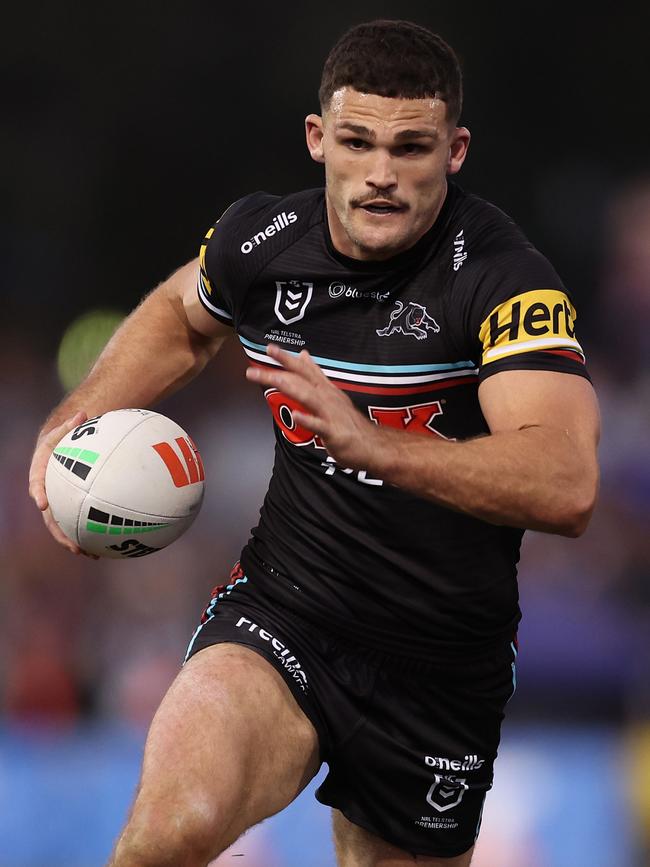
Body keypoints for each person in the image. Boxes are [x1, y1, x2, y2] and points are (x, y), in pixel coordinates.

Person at [28, 19, 600, 867]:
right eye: (358, 141)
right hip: (285, 610)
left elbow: (568, 483)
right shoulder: (263, 240)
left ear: (456, 150)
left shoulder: (503, 280)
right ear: (316, 138)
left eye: (411, 147)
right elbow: (185, 319)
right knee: (167, 834)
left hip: (440, 668)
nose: (380, 173)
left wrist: (374, 443)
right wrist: (64, 424)